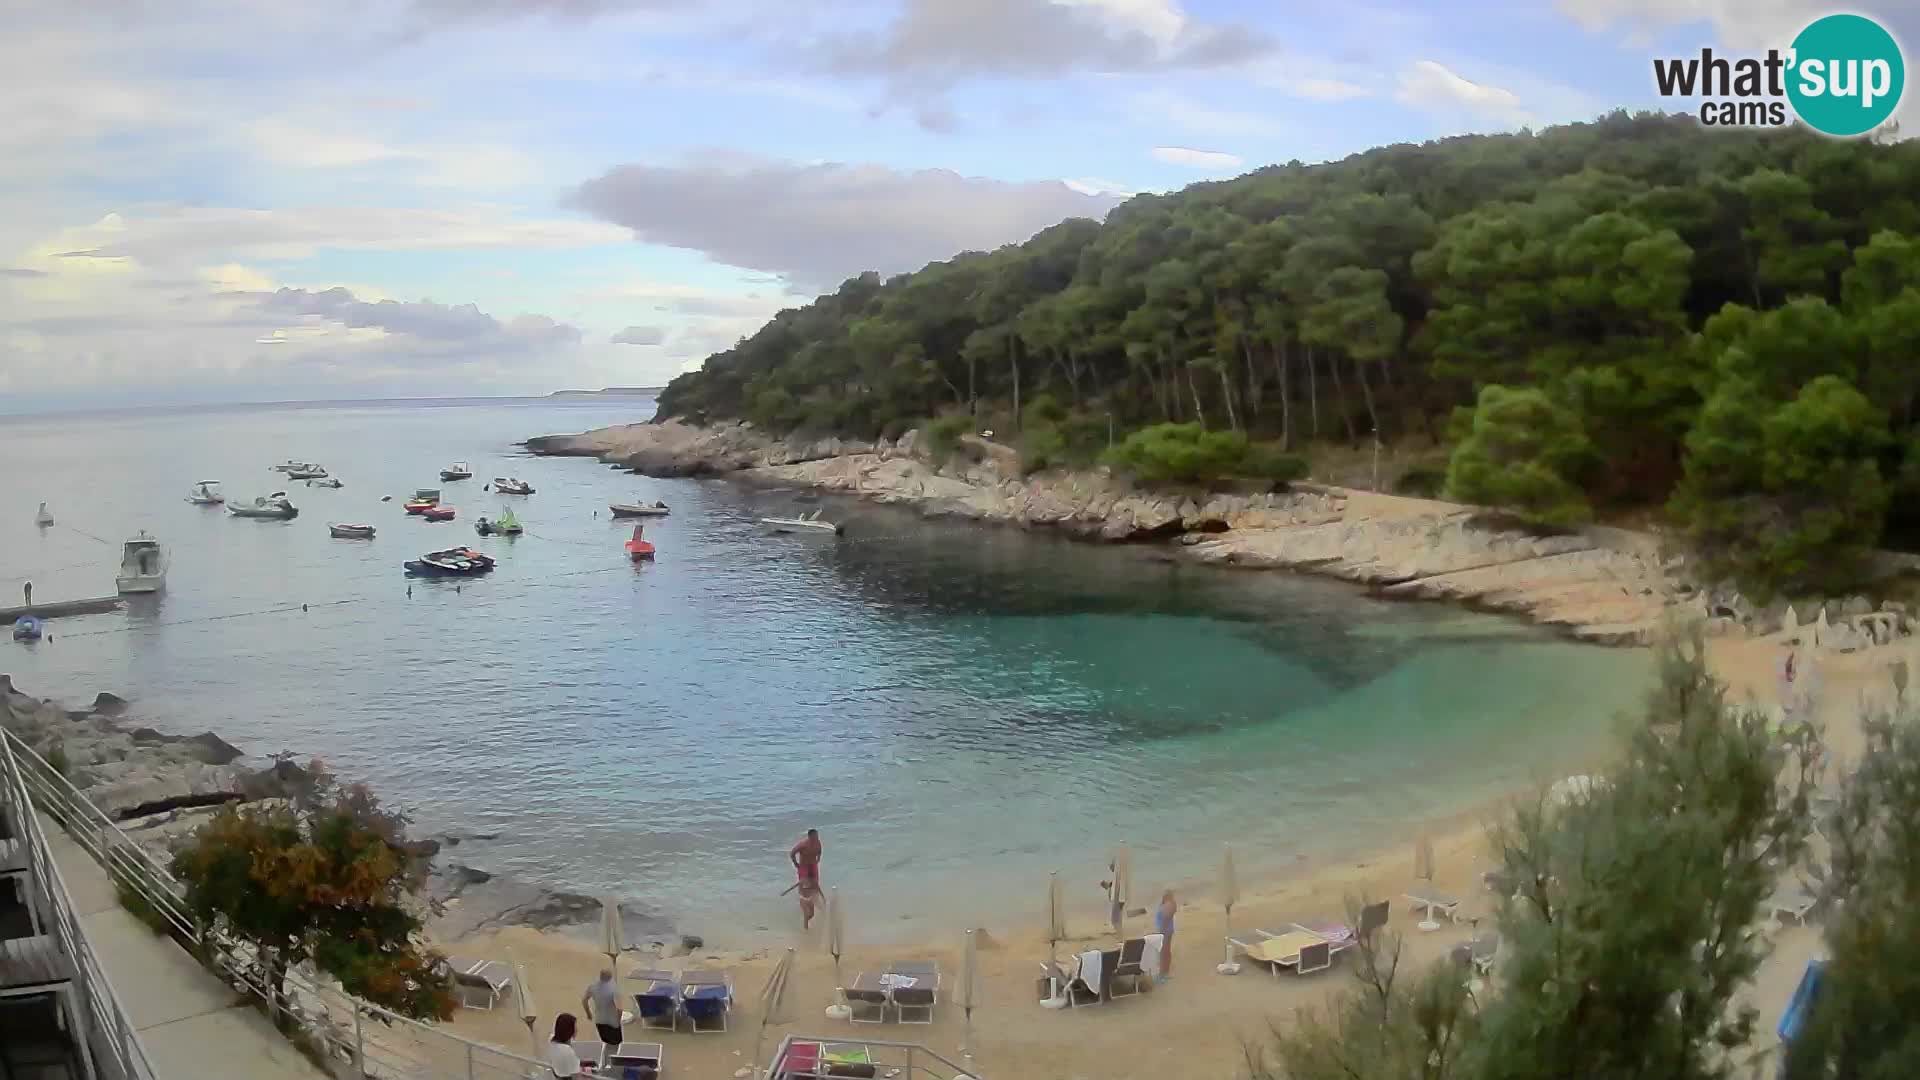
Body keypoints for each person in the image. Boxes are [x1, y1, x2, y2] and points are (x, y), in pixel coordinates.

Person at [790, 828, 823, 928]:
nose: (816, 838)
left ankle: (814, 900)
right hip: (803, 866)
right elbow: (792, 853)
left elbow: (820, 851)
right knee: (803, 883)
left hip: (813, 864)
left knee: (815, 883)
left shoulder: (818, 843)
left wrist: (818, 859)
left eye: (817, 836)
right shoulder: (803, 844)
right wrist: (796, 863)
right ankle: (804, 901)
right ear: (809, 837)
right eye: (814, 837)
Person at [582, 969, 623, 1046]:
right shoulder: (614, 988)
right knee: (616, 1045)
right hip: (612, 1022)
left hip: (599, 1020)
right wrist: (618, 1021)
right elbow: (620, 1009)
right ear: (610, 977)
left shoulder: (592, 986)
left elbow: (584, 1001)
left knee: (605, 1043)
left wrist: (588, 1013)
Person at [546, 1012, 592, 1077]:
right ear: (569, 1029)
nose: (577, 1030)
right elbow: (576, 1076)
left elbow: (565, 1063)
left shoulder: (552, 1044)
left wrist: (584, 1063)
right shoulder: (567, 1050)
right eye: (575, 1027)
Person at [1154, 890, 1177, 982]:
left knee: (1163, 953)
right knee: (1166, 951)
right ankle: (1165, 973)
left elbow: (1165, 919)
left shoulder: (1168, 905)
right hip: (1168, 930)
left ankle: (1162, 974)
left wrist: (1162, 931)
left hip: (1165, 931)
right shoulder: (1171, 905)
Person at [1099, 862, 1123, 934]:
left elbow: (1116, 886)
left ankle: (1120, 933)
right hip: (1117, 899)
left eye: (1112, 865)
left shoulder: (1118, 874)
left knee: (1115, 919)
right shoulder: (1117, 875)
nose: (1110, 867)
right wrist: (1107, 885)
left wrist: (1107, 885)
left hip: (1118, 899)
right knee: (1117, 917)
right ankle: (1119, 931)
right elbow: (1113, 885)